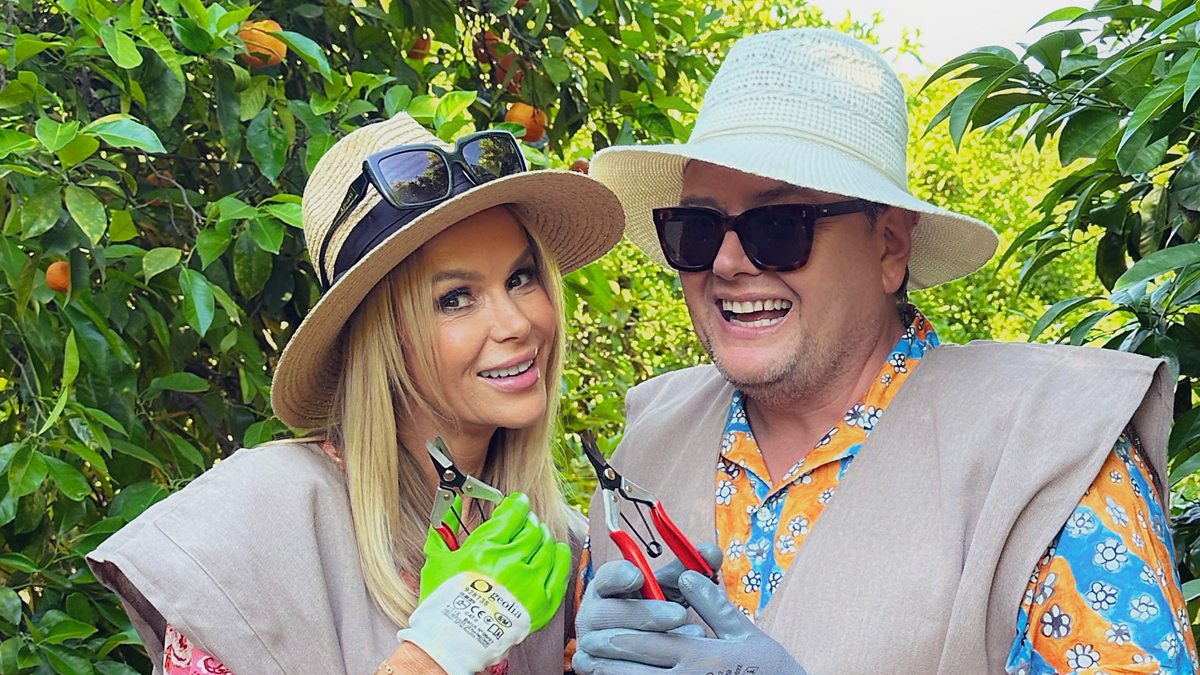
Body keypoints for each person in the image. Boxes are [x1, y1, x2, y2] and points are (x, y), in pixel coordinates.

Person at [571, 27, 1200, 674]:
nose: (728, 262)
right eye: (697, 229)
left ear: (890, 245)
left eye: (778, 227)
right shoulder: (646, 441)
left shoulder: (1052, 454)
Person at [86, 113, 624, 675]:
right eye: (455, 298)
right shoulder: (253, 528)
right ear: (379, 340)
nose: (515, 323)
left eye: (520, 278)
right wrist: (439, 651)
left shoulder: (568, 553)